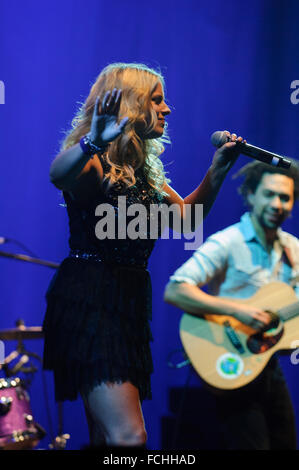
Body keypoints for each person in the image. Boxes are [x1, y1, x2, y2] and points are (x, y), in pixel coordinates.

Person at [43, 62, 244, 448]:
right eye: (157, 100)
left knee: (107, 439)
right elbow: (59, 175)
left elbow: (187, 220)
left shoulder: (145, 173)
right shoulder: (94, 160)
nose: (166, 109)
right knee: (130, 437)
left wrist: (217, 169)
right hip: (90, 301)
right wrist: (93, 142)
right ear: (132, 105)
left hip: (127, 303)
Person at [164, 159, 299, 450]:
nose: (277, 204)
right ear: (250, 195)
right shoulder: (227, 242)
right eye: (270, 194)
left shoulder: (293, 249)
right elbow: (175, 290)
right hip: (231, 363)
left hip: (268, 365)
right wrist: (239, 311)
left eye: (285, 198)